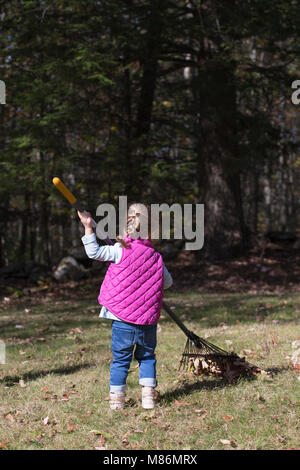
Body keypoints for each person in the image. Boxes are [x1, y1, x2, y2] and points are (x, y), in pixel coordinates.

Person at [78, 203, 173, 410]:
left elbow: (93, 252)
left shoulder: (119, 251)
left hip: (122, 320)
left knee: (121, 360)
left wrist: (88, 227)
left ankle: (117, 402)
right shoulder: (156, 257)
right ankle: (148, 397)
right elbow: (167, 282)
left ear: (126, 225)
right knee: (147, 357)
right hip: (147, 321)